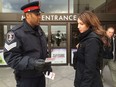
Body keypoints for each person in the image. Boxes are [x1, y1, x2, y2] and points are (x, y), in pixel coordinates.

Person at [3, 1, 52, 87]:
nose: (40, 17)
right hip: (26, 80)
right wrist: (32, 63)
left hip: (40, 77)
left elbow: (44, 50)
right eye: (37, 14)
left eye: (40, 14)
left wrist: (47, 65)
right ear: (28, 15)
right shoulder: (15, 33)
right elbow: (11, 57)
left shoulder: (40, 31)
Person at [73, 11, 107, 87]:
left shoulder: (92, 40)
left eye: (81, 24)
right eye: (78, 23)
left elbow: (90, 69)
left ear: (89, 24)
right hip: (82, 77)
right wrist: (81, 47)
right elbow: (79, 63)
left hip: (89, 83)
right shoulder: (85, 38)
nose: (78, 26)